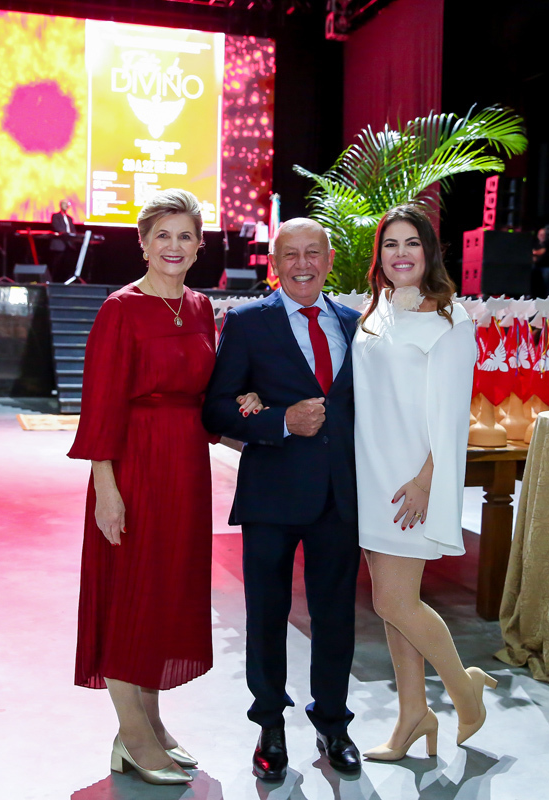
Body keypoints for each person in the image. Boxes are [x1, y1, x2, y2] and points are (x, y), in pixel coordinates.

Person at [202, 218, 363, 783]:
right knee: (266, 615)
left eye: (312, 253)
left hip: (340, 496)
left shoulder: (355, 324)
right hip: (271, 494)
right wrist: (280, 422)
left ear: (329, 259)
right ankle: (269, 725)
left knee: (335, 616)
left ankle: (333, 723)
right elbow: (216, 408)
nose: (302, 264)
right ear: (274, 264)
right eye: (290, 254)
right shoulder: (249, 322)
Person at [66, 188, 217, 786]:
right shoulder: (120, 310)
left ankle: (151, 721)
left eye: (185, 236)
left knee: (164, 593)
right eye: (163, 235)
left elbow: (208, 393)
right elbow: (100, 405)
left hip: (186, 469)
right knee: (130, 593)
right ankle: (131, 734)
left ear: (199, 246)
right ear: (144, 244)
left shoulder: (201, 308)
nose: (174, 246)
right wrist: (106, 487)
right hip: (133, 467)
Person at [350, 205, 494, 761]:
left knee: (394, 600)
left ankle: (464, 688)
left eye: (412, 242)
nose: (401, 253)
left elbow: (454, 416)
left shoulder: (451, 323)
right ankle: (413, 715)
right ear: (380, 256)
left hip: (410, 482)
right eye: (390, 244)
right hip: (371, 476)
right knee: (394, 605)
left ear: (429, 252)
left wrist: (426, 482)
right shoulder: (377, 312)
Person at [49, 199, 80, 282]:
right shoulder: (55, 216)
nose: (66, 205)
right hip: (59, 244)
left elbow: (73, 230)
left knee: (68, 265)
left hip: (69, 245)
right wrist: (67, 234)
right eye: (64, 204)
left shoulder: (70, 218)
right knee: (56, 264)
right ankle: (52, 281)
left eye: (67, 204)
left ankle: (67, 281)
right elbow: (57, 227)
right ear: (60, 205)